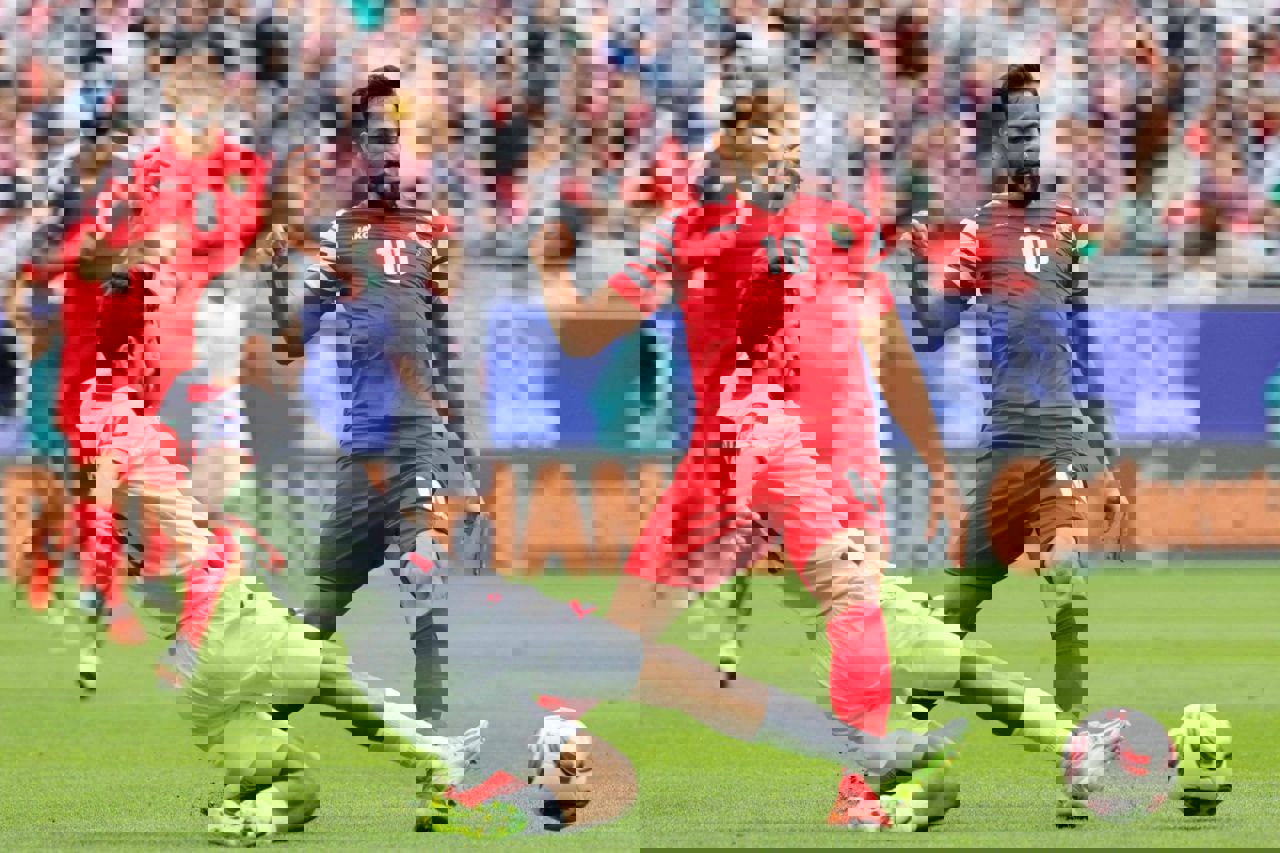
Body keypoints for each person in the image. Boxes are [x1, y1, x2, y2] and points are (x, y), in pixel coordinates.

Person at [533, 75, 970, 825]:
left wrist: (551, 270)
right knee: (852, 601)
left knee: (631, 622)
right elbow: (884, 341)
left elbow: (580, 333)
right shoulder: (817, 230)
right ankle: (858, 792)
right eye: (779, 139)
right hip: (780, 446)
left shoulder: (688, 233)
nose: (788, 153)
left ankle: (557, 749)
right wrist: (932, 463)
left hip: (725, 449)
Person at [902, 64, 1128, 722]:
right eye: (1018, 136)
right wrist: (917, 267)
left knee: (1068, 590)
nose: (1028, 150)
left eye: (1035, 135)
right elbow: (934, 332)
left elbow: (1085, 344)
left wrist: (1103, 457)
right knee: (963, 602)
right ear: (1001, 150)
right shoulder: (980, 233)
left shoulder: (1066, 228)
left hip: (1060, 435)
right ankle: (909, 723)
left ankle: (1076, 741)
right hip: (1005, 440)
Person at [271, 66, 489, 731]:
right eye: (376, 144)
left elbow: (442, 346)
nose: (387, 160)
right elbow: (293, 339)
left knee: (423, 583)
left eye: (394, 145)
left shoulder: (430, 235)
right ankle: (281, 706)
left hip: (415, 439)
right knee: (327, 596)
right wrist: (279, 276)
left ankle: (434, 730)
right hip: (362, 449)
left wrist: (461, 458)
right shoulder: (346, 237)